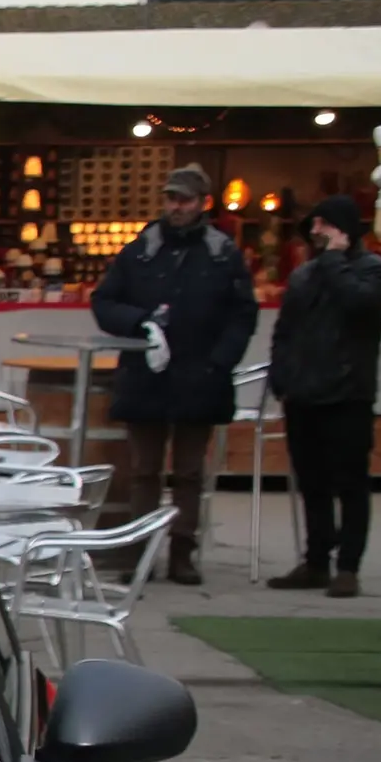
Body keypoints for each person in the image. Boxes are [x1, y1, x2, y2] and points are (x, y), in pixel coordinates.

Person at [91, 162, 258, 586]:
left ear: (203, 203)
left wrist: (221, 361)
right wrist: (140, 321)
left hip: (200, 373)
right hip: (147, 372)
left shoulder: (222, 252)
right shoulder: (142, 249)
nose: (176, 207)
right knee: (144, 468)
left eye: (183, 199)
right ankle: (140, 552)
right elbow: (104, 301)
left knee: (188, 471)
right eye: (171, 198)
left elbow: (243, 313)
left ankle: (183, 552)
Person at [266, 194, 381, 597]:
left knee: (351, 483)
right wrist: (281, 377)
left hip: (348, 393)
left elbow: (360, 306)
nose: (316, 232)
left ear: (345, 229)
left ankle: (348, 566)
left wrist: (336, 261)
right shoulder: (303, 276)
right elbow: (285, 331)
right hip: (303, 393)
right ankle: (316, 560)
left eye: (324, 224)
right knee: (312, 482)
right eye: (314, 225)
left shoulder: (374, 271)